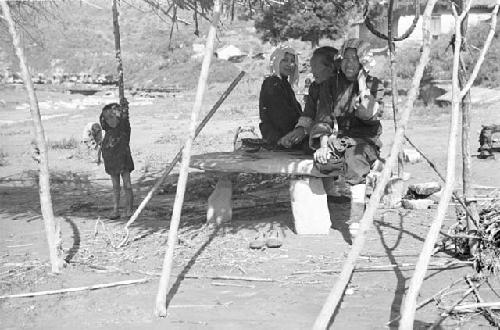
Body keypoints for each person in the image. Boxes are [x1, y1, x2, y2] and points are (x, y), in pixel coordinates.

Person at [310, 38, 384, 238]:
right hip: (339, 139)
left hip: (365, 140)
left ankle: (356, 218)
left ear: (363, 62)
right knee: (322, 164)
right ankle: (373, 168)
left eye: (355, 59)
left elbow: (369, 113)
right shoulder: (331, 85)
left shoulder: (374, 85)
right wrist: (323, 145)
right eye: (346, 58)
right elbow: (323, 116)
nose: (349, 63)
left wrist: (362, 85)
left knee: (354, 158)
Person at [280, 46, 339, 150]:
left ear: (331, 67)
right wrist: (299, 130)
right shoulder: (315, 88)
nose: (312, 71)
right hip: (318, 132)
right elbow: (308, 114)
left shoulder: (341, 88)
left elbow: (331, 119)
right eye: (312, 66)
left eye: (315, 66)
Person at [259, 46, 302, 148]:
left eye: (292, 61)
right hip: (280, 139)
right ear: (276, 61)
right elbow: (281, 118)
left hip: (286, 136)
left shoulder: (283, 83)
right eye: (284, 60)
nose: (289, 64)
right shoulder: (272, 84)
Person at [98, 101, 134, 219]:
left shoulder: (123, 127)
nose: (110, 120)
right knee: (115, 186)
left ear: (117, 116)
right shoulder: (108, 131)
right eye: (107, 118)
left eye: (112, 117)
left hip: (123, 159)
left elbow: (125, 117)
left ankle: (129, 209)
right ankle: (115, 210)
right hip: (111, 159)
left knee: (127, 185)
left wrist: (124, 108)